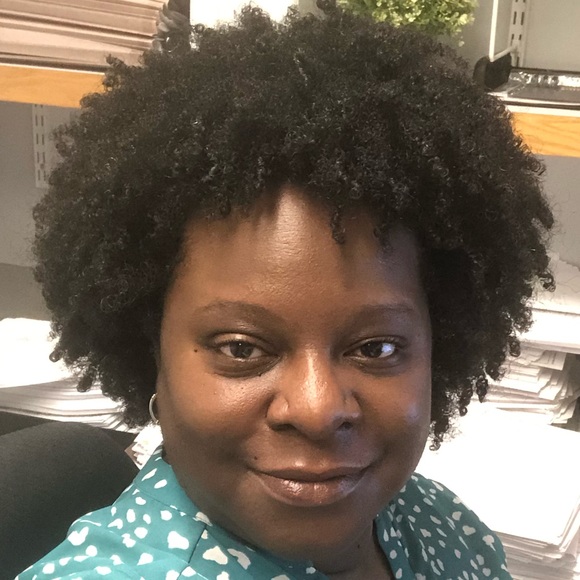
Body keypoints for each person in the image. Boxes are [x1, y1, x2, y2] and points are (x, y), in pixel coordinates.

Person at [18, 1, 554, 578]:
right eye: (242, 348)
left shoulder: (435, 522)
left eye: (377, 347)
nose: (318, 409)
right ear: (152, 352)